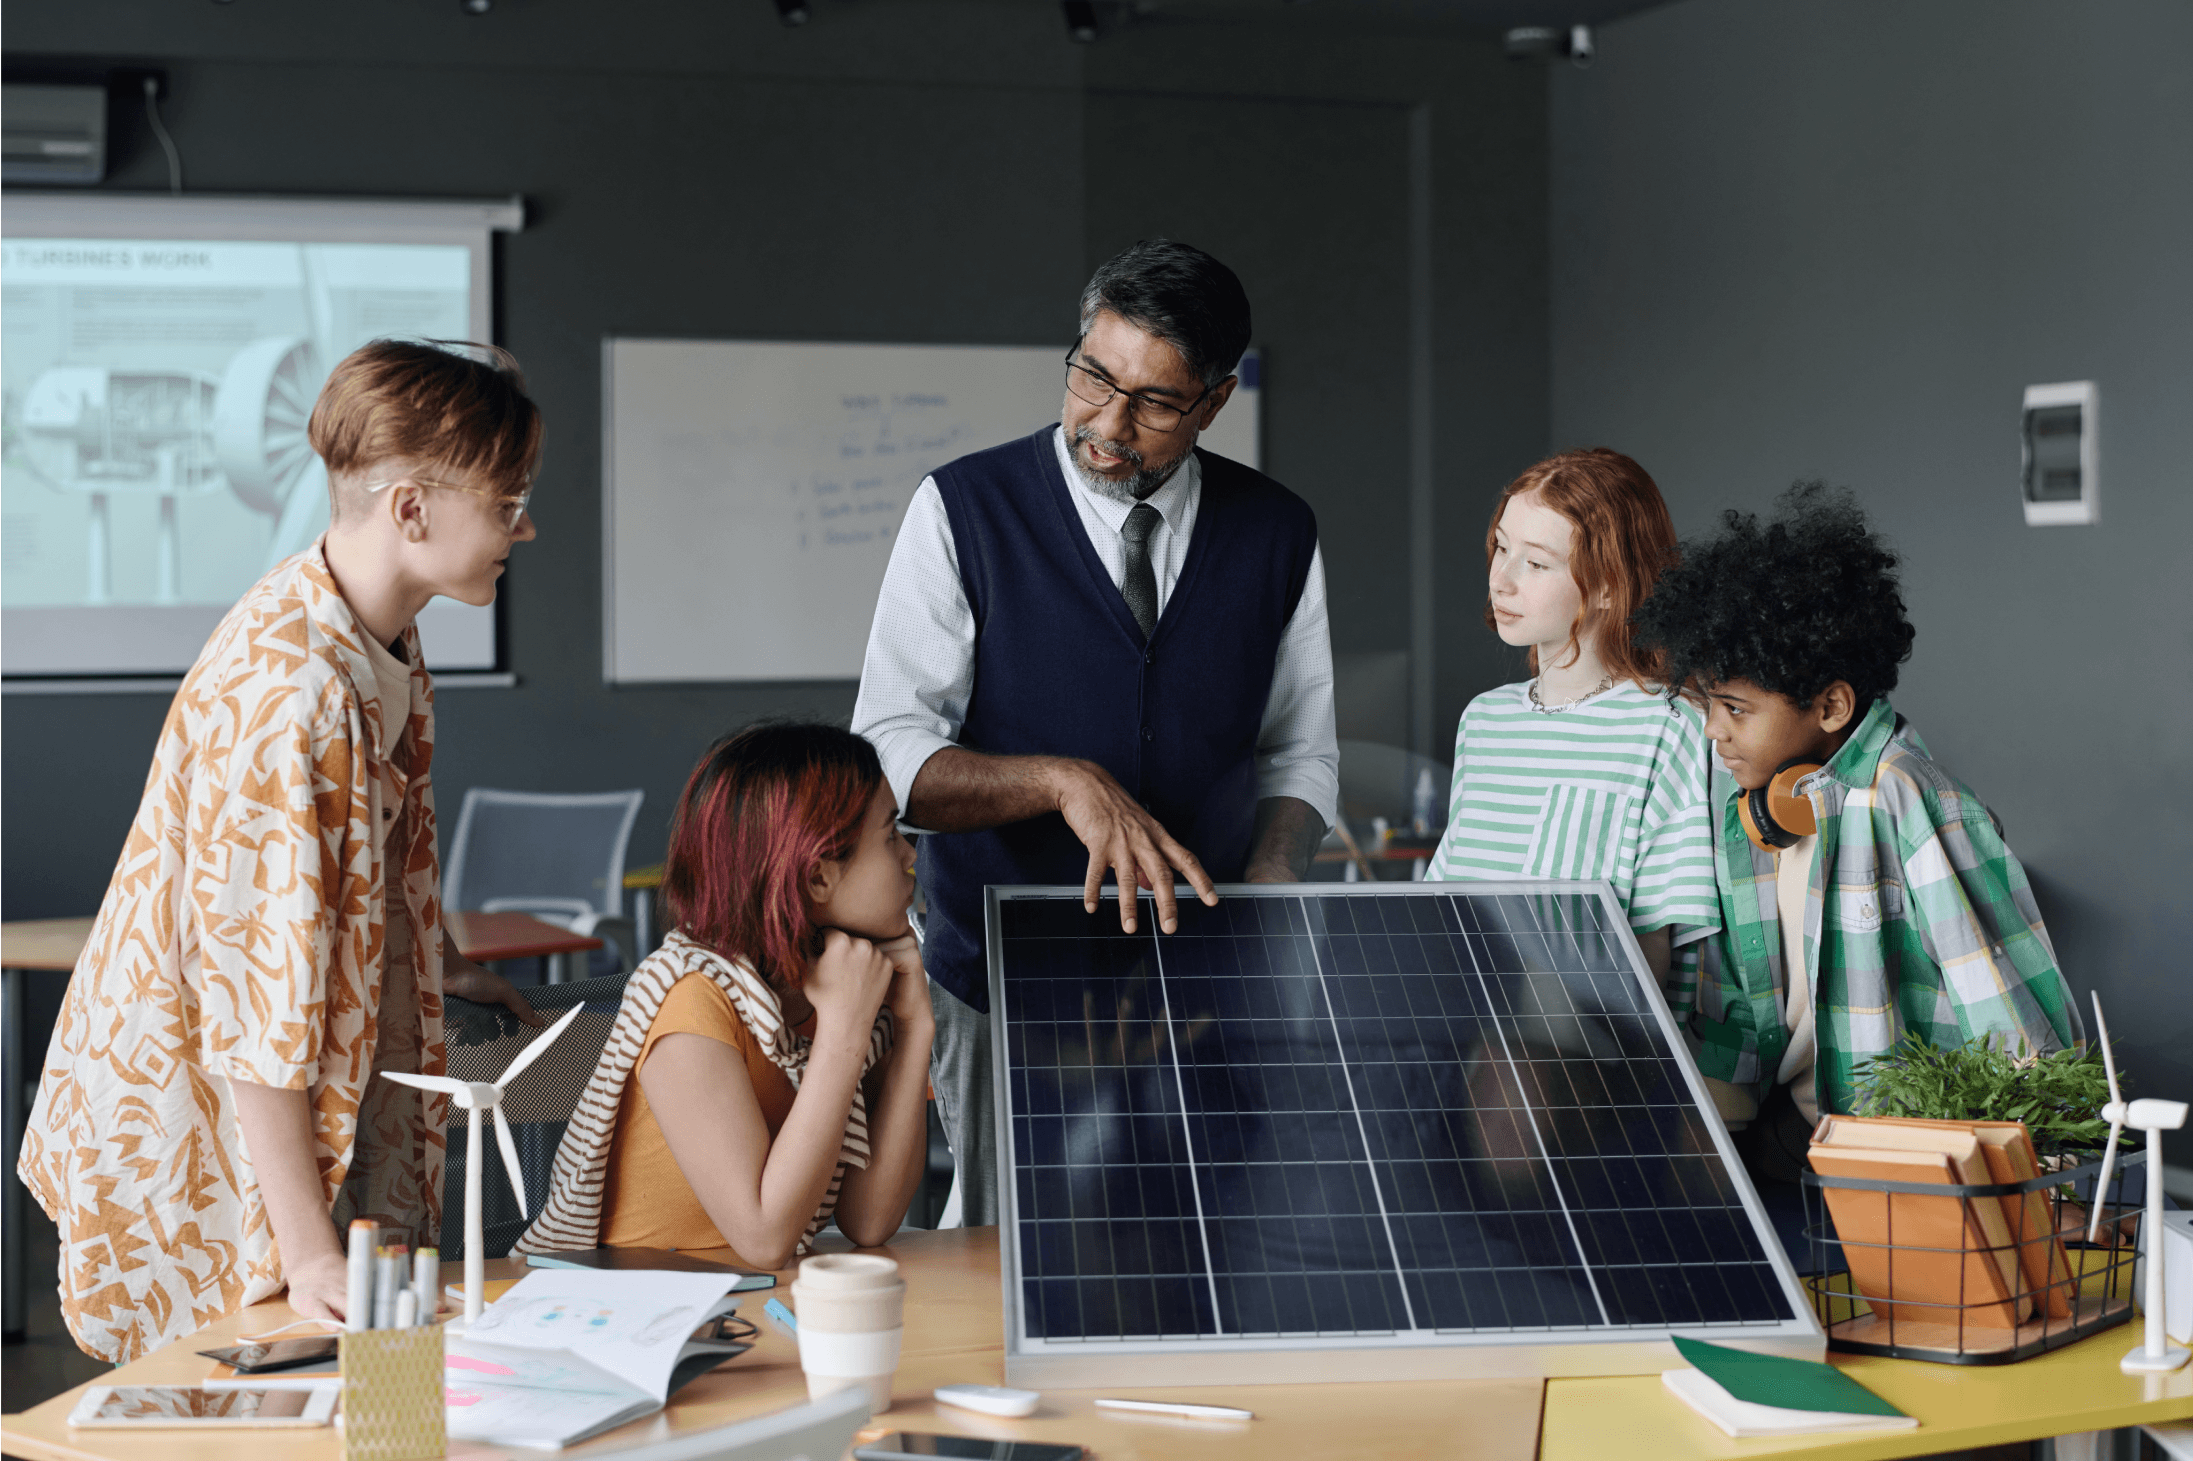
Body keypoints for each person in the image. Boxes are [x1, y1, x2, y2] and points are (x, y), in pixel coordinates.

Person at [17, 339, 547, 1362]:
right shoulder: (291, 692)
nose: (524, 527)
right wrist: (306, 1252)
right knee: (238, 1408)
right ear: (411, 511)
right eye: (506, 501)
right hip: (205, 1129)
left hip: (297, 1100)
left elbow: (373, 854)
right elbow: (250, 1000)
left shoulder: (379, 631)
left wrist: (437, 965)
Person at [852, 239, 1339, 1224]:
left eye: (1155, 402)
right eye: (1092, 376)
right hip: (1003, 982)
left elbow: (1299, 750)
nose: (1107, 423)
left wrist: (1279, 867)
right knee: (1011, 1255)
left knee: (1195, 1249)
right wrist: (1065, 782)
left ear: (1213, 401)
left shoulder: (1279, 530)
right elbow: (891, 757)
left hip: (1202, 982)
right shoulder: (962, 509)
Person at [1631, 483, 2083, 1191]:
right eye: (1704, 707)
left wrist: (2045, 1172)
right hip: (1795, 1121)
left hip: (1897, 1144)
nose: (1712, 731)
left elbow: (2010, 1016)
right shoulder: (1740, 803)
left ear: (1832, 705)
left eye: (1734, 710)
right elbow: (1743, 1009)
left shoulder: (1914, 804)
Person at [514, 723, 933, 1268]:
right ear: (818, 877)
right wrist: (842, 1036)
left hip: (746, 1304)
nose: (910, 855)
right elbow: (763, 1240)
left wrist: (914, 1025)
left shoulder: (842, 989)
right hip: (631, 1313)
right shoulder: (693, 997)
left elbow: (869, 1221)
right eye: (890, 834)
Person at [1427, 449, 1721, 989]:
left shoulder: (1671, 722)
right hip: (1470, 1015)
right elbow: (1446, 914)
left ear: (1611, 584)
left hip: (1591, 1041)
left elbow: (1656, 948)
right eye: (1501, 548)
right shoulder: (1484, 720)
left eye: (1536, 563)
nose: (1501, 581)